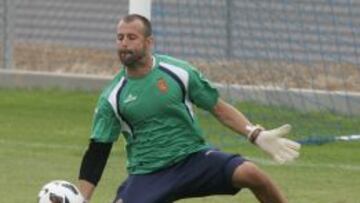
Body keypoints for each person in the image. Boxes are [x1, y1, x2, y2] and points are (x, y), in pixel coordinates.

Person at [78, 14, 301, 203]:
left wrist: (254, 134)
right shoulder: (112, 96)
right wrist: (81, 199)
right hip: (149, 173)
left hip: (193, 160)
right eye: (120, 38)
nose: (124, 43)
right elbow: (97, 153)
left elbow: (218, 108)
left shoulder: (179, 72)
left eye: (131, 37)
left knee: (252, 174)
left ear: (148, 42)